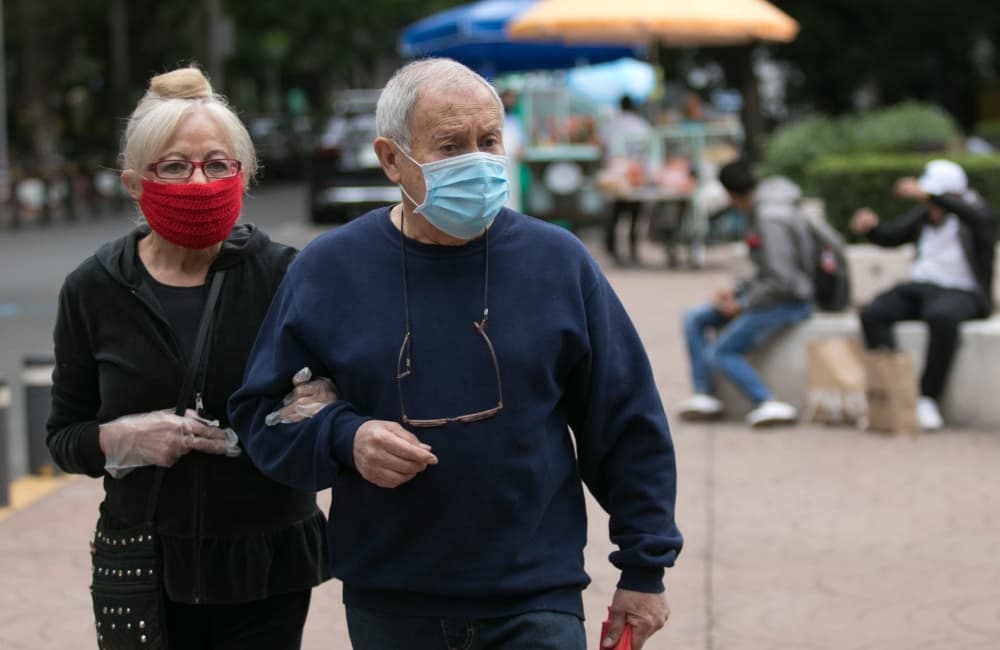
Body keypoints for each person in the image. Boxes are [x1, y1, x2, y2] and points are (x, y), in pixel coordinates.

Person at [229, 58, 682, 650]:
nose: (478, 161)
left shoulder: (558, 263)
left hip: (535, 596)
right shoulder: (329, 270)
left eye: (488, 141)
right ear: (391, 159)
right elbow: (262, 413)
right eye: (450, 146)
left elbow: (625, 420)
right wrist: (344, 437)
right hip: (391, 601)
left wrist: (644, 568)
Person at [46, 66, 334, 649]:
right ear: (135, 183)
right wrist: (125, 438)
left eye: (218, 164)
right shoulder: (94, 288)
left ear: (243, 173)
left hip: (266, 567)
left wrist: (320, 407)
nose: (200, 181)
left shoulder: (287, 275)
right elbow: (64, 438)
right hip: (146, 567)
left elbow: (340, 404)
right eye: (175, 166)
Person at [850, 159, 997, 430]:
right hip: (921, 286)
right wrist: (871, 228)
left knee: (941, 317)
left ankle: (927, 397)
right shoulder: (924, 216)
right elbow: (891, 236)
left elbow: (978, 217)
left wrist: (932, 196)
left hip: (962, 290)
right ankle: (893, 389)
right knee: (874, 314)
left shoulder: (975, 214)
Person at [676, 160, 814, 427]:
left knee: (721, 352)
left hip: (788, 301)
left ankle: (767, 401)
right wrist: (738, 292)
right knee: (694, 318)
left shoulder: (769, 217)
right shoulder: (762, 207)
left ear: (730, 195)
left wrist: (743, 303)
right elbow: (770, 272)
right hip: (769, 295)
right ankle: (703, 395)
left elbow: (783, 281)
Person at [599, 95, 654, 265]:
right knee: (635, 215)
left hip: (617, 177)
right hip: (636, 176)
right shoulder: (642, 125)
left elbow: (602, 145)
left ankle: (613, 251)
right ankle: (633, 251)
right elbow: (649, 149)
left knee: (615, 214)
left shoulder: (611, 125)